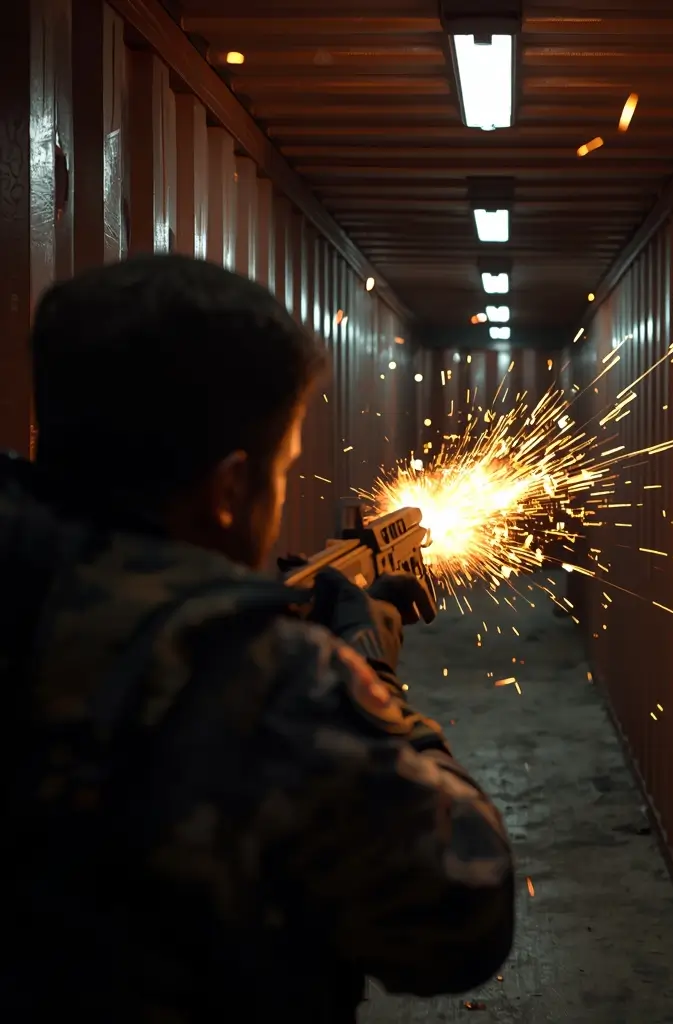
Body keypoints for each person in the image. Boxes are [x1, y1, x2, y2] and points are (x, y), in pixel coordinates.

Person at [0, 254, 514, 1022]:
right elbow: (466, 916)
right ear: (231, 487)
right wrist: (368, 677)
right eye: (283, 468)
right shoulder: (265, 678)